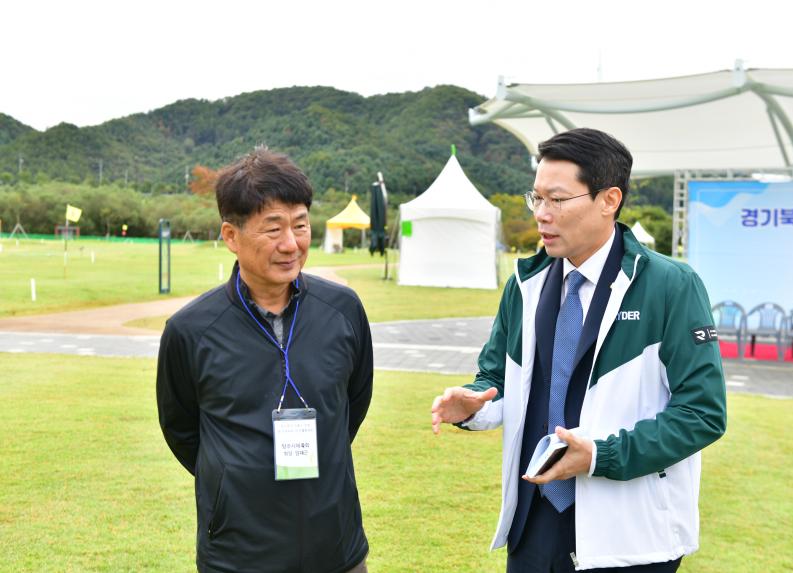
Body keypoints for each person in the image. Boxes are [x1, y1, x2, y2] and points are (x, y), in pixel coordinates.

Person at [431, 128, 726, 572]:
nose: (542, 215)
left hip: (628, 535)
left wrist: (600, 456)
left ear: (609, 200)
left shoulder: (671, 287)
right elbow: (496, 379)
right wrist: (473, 406)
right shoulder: (524, 284)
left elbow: (702, 414)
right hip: (533, 523)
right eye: (536, 200)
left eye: (557, 200)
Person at [157, 147, 373, 573]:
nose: (291, 244)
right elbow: (182, 430)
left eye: (300, 225)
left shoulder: (343, 310)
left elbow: (352, 405)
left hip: (335, 547)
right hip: (239, 553)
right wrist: (233, 481)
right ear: (231, 236)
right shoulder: (191, 330)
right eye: (272, 229)